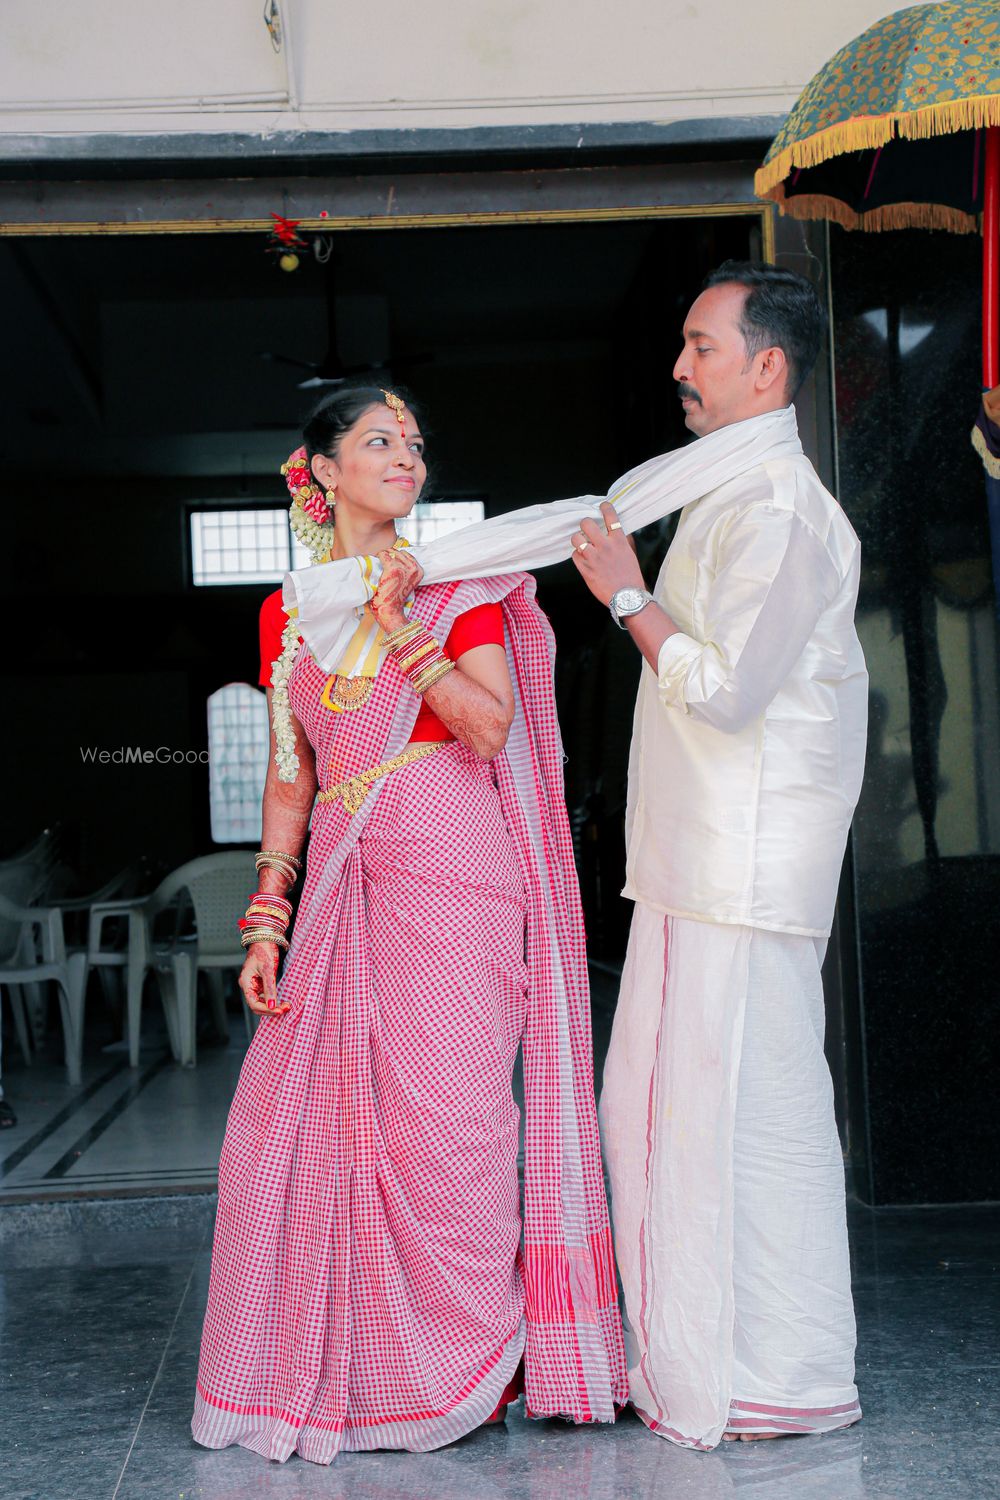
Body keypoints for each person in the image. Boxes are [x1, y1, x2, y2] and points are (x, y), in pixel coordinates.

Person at [191, 385, 626, 1465]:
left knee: (450, 1129)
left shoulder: (453, 583)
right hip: (340, 873)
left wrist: (401, 632)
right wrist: (264, 921)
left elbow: (487, 725)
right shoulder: (288, 609)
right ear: (320, 471)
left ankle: (464, 1375)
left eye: (417, 444)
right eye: (379, 442)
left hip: (450, 866)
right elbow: (290, 778)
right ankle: (352, 1368)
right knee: (272, 1141)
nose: (407, 458)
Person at [569, 262, 868, 1449]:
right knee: (678, 1115)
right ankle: (724, 1363)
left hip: (744, 865)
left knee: (753, 1119)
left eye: (702, 347)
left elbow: (733, 689)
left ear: (767, 368)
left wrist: (627, 597)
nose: (679, 369)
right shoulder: (723, 491)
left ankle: (783, 1377)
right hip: (699, 858)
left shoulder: (781, 509)